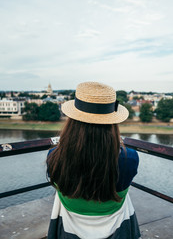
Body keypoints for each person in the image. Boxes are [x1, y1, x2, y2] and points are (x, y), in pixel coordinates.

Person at [46, 82, 141, 239]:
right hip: (117, 229)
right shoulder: (129, 159)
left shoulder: (54, 157)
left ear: (72, 121)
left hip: (69, 230)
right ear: (112, 123)